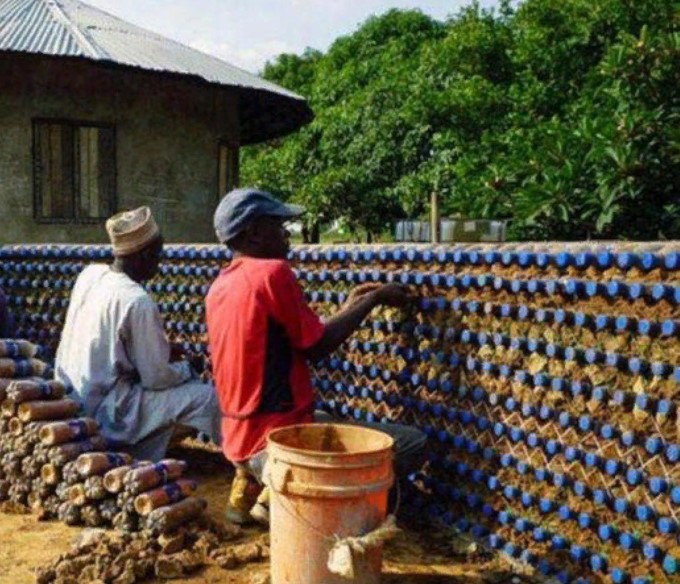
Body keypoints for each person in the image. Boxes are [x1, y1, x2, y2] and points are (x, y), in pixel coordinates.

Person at [206, 188, 427, 524]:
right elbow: (318, 347)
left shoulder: (220, 286)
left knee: (322, 415)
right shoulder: (272, 273)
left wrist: (350, 306)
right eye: (278, 226)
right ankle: (283, 498)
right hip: (276, 443)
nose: (287, 235)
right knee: (412, 443)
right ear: (253, 233)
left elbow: (297, 336)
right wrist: (374, 300)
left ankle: (247, 486)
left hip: (237, 439)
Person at [55, 206, 221, 461]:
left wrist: (163, 351)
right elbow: (155, 378)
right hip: (107, 412)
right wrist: (190, 367)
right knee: (206, 398)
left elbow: (108, 344)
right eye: (157, 253)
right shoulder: (137, 300)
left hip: (69, 401)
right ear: (144, 255)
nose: (160, 260)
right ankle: (246, 467)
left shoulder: (90, 274)